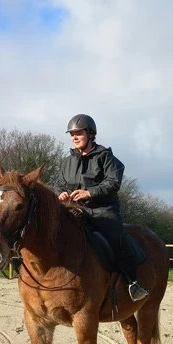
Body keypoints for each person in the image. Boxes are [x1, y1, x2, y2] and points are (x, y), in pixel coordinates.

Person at [56, 113, 149, 302]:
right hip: (74, 209)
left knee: (116, 238)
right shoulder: (66, 162)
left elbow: (113, 182)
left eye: (78, 133)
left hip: (103, 210)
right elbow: (59, 183)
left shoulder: (105, 156)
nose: (74, 137)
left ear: (90, 134)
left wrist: (89, 192)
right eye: (72, 134)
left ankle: (132, 283)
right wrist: (62, 193)